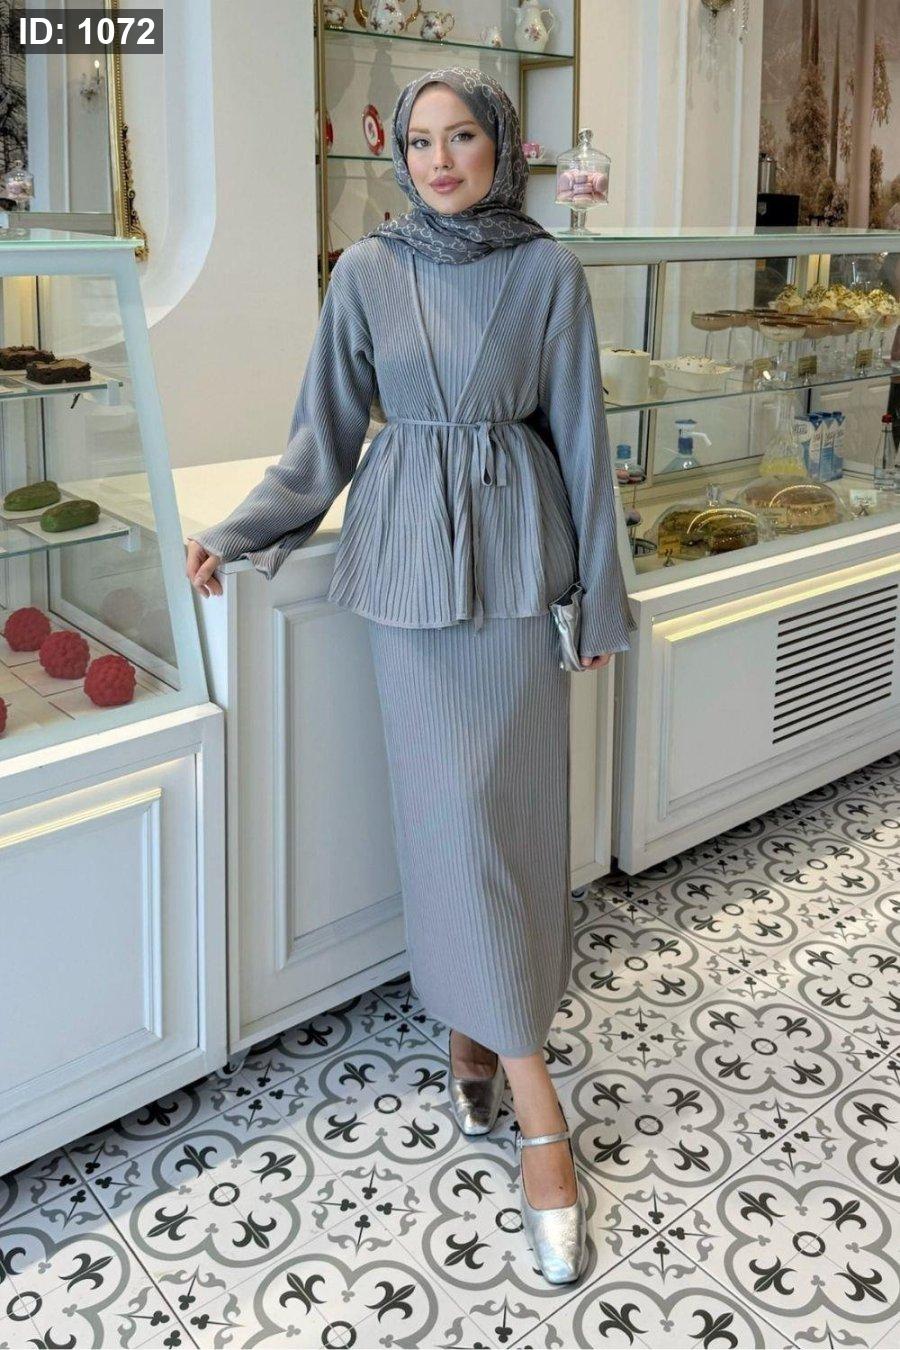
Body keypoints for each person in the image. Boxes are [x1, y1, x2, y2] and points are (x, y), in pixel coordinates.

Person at [186, 65, 636, 1284]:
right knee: (448, 827)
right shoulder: (366, 272)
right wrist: (240, 530)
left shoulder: (547, 271)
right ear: (398, 154)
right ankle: (529, 1094)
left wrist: (601, 596)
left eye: (464, 137)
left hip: (520, 570)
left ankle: (487, 1045)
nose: (440, 160)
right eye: (421, 140)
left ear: (504, 146)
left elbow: (583, 438)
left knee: (511, 824)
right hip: (407, 577)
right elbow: (322, 436)